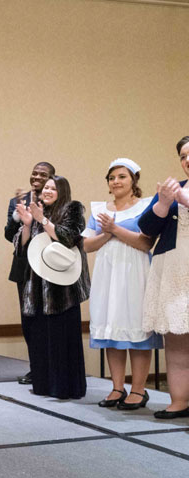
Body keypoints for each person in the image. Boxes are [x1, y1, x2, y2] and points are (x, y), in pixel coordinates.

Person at [83, 159, 161, 409]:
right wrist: (107, 233)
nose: (115, 181)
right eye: (111, 178)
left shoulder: (147, 206)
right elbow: (85, 245)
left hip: (136, 271)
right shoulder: (99, 210)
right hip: (107, 273)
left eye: (121, 177)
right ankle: (117, 387)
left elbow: (145, 243)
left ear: (133, 180)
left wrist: (114, 228)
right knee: (111, 330)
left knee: (136, 328)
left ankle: (138, 390)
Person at [15, 175, 89, 400]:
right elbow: (22, 248)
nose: (46, 191)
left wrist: (43, 221)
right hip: (36, 287)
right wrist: (28, 224)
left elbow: (68, 237)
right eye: (45, 187)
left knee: (61, 338)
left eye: (52, 188)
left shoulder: (73, 209)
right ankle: (43, 385)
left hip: (62, 290)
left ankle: (65, 387)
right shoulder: (38, 211)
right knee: (39, 337)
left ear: (62, 191)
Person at [139, 136, 189, 419]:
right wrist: (163, 203)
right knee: (178, 342)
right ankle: (179, 401)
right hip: (173, 274)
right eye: (183, 156)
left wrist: (183, 200)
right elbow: (145, 227)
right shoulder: (174, 189)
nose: (187, 160)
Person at [5, 162, 55, 384]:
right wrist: (18, 216)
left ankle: (53, 367)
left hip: (51, 267)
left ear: (52, 178)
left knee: (50, 319)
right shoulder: (18, 201)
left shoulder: (56, 199)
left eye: (42, 174)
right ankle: (35, 368)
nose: (36, 177)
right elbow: (9, 235)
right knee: (29, 320)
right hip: (25, 268)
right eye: (34, 172)